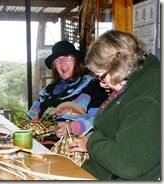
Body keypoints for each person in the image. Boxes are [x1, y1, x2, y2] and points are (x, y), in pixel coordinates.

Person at [68, 30, 160, 180]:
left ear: (118, 66)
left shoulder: (149, 98)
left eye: (102, 77)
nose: (102, 84)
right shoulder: (134, 79)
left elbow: (128, 164)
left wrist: (91, 142)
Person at [26, 40, 108, 148]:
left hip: (71, 147)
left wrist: (71, 127)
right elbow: (31, 115)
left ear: (76, 60)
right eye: (58, 60)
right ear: (54, 66)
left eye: (67, 57)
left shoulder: (94, 86)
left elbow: (99, 121)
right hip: (39, 144)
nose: (62, 62)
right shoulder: (48, 90)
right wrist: (23, 128)